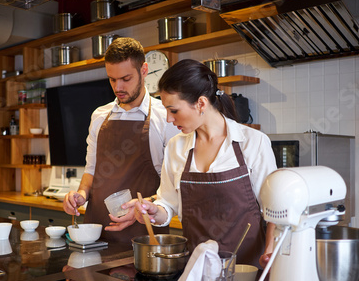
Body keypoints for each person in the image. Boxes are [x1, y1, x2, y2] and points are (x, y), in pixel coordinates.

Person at [113, 59, 276, 268]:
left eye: (174, 110)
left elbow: (274, 212)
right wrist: (154, 210)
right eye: (166, 112)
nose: (170, 120)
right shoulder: (176, 147)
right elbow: (168, 203)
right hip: (196, 270)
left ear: (200, 103)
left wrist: (270, 253)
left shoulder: (252, 142)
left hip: (247, 270)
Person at [63, 37, 179, 243]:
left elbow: (173, 186)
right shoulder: (99, 116)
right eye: (112, 79)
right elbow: (91, 171)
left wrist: (145, 206)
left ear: (144, 70)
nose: (118, 87)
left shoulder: (166, 118)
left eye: (126, 78)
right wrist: (80, 194)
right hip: (98, 229)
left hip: (143, 233)